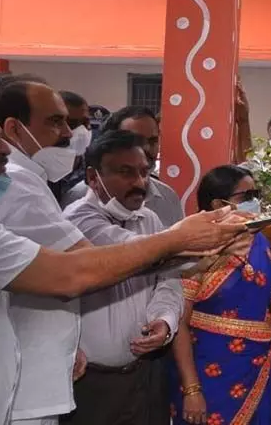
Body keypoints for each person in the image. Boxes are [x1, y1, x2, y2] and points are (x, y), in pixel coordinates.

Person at [0, 83, 247, 425]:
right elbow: (70, 273)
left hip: (4, 387)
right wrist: (177, 240)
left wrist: (191, 248)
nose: (2, 150)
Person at [62, 131, 185, 425]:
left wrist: (164, 321)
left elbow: (168, 280)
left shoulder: (150, 219)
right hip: (89, 381)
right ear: (93, 177)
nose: (140, 183)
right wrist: (188, 238)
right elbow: (126, 248)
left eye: (144, 172)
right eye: (125, 173)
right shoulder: (76, 221)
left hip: (144, 374)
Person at [0, 80, 89, 425]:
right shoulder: (16, 180)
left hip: (34, 370)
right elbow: (84, 262)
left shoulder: (32, 177)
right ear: (13, 128)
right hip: (21, 380)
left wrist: (69, 342)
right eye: (55, 121)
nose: (68, 133)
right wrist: (177, 243)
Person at [169, 165, 271, 425]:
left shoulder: (259, 240)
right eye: (245, 196)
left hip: (255, 367)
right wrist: (192, 389)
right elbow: (178, 321)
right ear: (218, 203)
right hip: (206, 372)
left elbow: (268, 285)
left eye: (255, 193)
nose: (254, 201)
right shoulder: (196, 247)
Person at [65, 106, 185, 231]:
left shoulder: (167, 198)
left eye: (153, 141)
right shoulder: (78, 197)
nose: (145, 149)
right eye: (134, 141)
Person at [54, 90, 92, 201]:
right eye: (72, 124)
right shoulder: (41, 169)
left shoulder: (95, 170)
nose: (81, 131)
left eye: (85, 123)